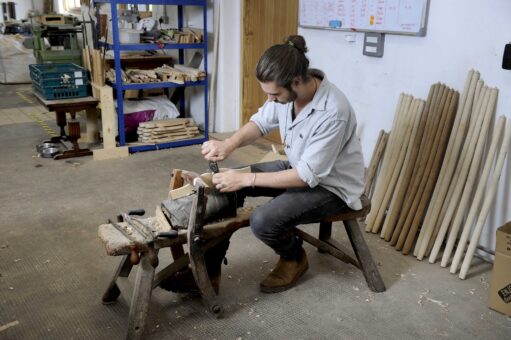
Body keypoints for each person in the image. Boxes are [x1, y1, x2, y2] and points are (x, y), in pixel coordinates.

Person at [201, 35, 365, 293]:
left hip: (332, 186)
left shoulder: (334, 112)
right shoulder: (283, 95)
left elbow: (305, 177)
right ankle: (207, 274)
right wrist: (227, 145)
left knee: (262, 220)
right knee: (223, 184)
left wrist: (246, 179)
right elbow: (261, 123)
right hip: (298, 166)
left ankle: (294, 257)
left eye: (274, 95)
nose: (270, 100)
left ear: (296, 81)